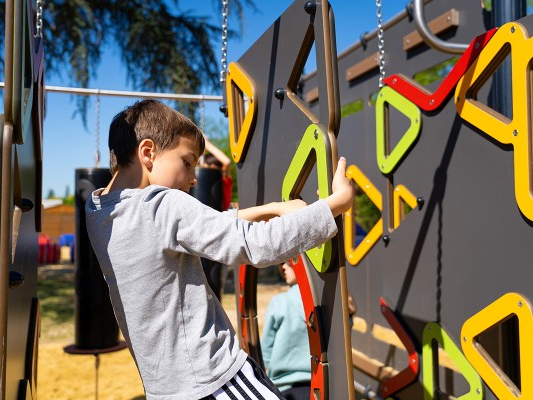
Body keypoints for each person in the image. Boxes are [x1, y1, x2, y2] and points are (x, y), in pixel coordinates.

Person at [85, 99, 353, 400]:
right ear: (148, 152)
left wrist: (272, 208)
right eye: (187, 162)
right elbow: (257, 245)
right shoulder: (163, 205)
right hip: (215, 380)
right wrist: (335, 204)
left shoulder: (97, 211)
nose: (193, 178)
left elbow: (202, 225)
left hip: (165, 389)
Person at [261, 261, 311, 399]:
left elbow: (265, 352)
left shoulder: (280, 302)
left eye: (289, 262)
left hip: (285, 388)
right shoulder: (328, 304)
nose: (283, 266)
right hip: (322, 385)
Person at [201, 134, 233, 211]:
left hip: (222, 212)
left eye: (210, 167)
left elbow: (227, 162)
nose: (205, 168)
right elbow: (201, 164)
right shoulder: (205, 179)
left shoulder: (224, 178)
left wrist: (207, 144)